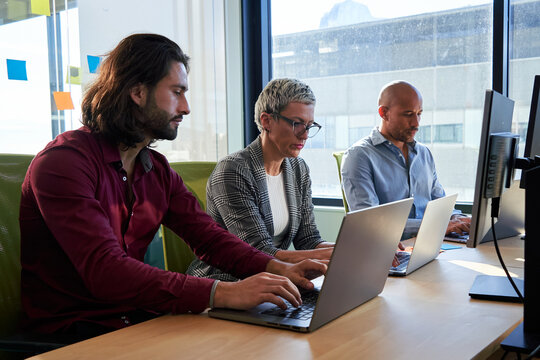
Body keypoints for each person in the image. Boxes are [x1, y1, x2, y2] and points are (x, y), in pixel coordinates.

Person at [19, 34, 326, 337]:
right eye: (177, 92)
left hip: (139, 322)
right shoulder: (63, 164)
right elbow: (106, 272)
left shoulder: (156, 170)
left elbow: (210, 239)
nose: (186, 107)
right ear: (138, 91)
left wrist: (277, 269)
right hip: (72, 336)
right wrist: (224, 293)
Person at [187, 78, 334, 281]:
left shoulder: (298, 169)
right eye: (297, 124)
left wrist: (348, 249)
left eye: (309, 125)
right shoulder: (233, 171)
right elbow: (257, 251)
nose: (305, 135)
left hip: (274, 280)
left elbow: (308, 239)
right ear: (266, 121)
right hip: (226, 282)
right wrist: (329, 257)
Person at [341, 80, 470, 242]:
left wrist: (460, 219)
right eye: (408, 114)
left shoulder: (423, 153)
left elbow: (440, 202)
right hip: (390, 249)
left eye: (419, 114)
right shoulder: (359, 156)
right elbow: (369, 222)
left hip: (433, 243)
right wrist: (435, 226)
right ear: (384, 113)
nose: (416, 123)